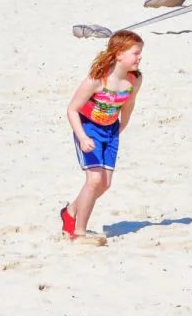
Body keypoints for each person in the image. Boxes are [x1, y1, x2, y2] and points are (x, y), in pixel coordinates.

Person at [61, 30, 143, 246]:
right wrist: (81, 137)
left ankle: (70, 212)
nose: (139, 57)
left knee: (105, 184)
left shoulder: (134, 79)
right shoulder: (97, 79)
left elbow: (128, 105)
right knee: (94, 180)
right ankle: (79, 232)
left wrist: (121, 128)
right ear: (118, 54)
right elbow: (71, 109)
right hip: (88, 129)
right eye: (135, 53)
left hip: (111, 130)